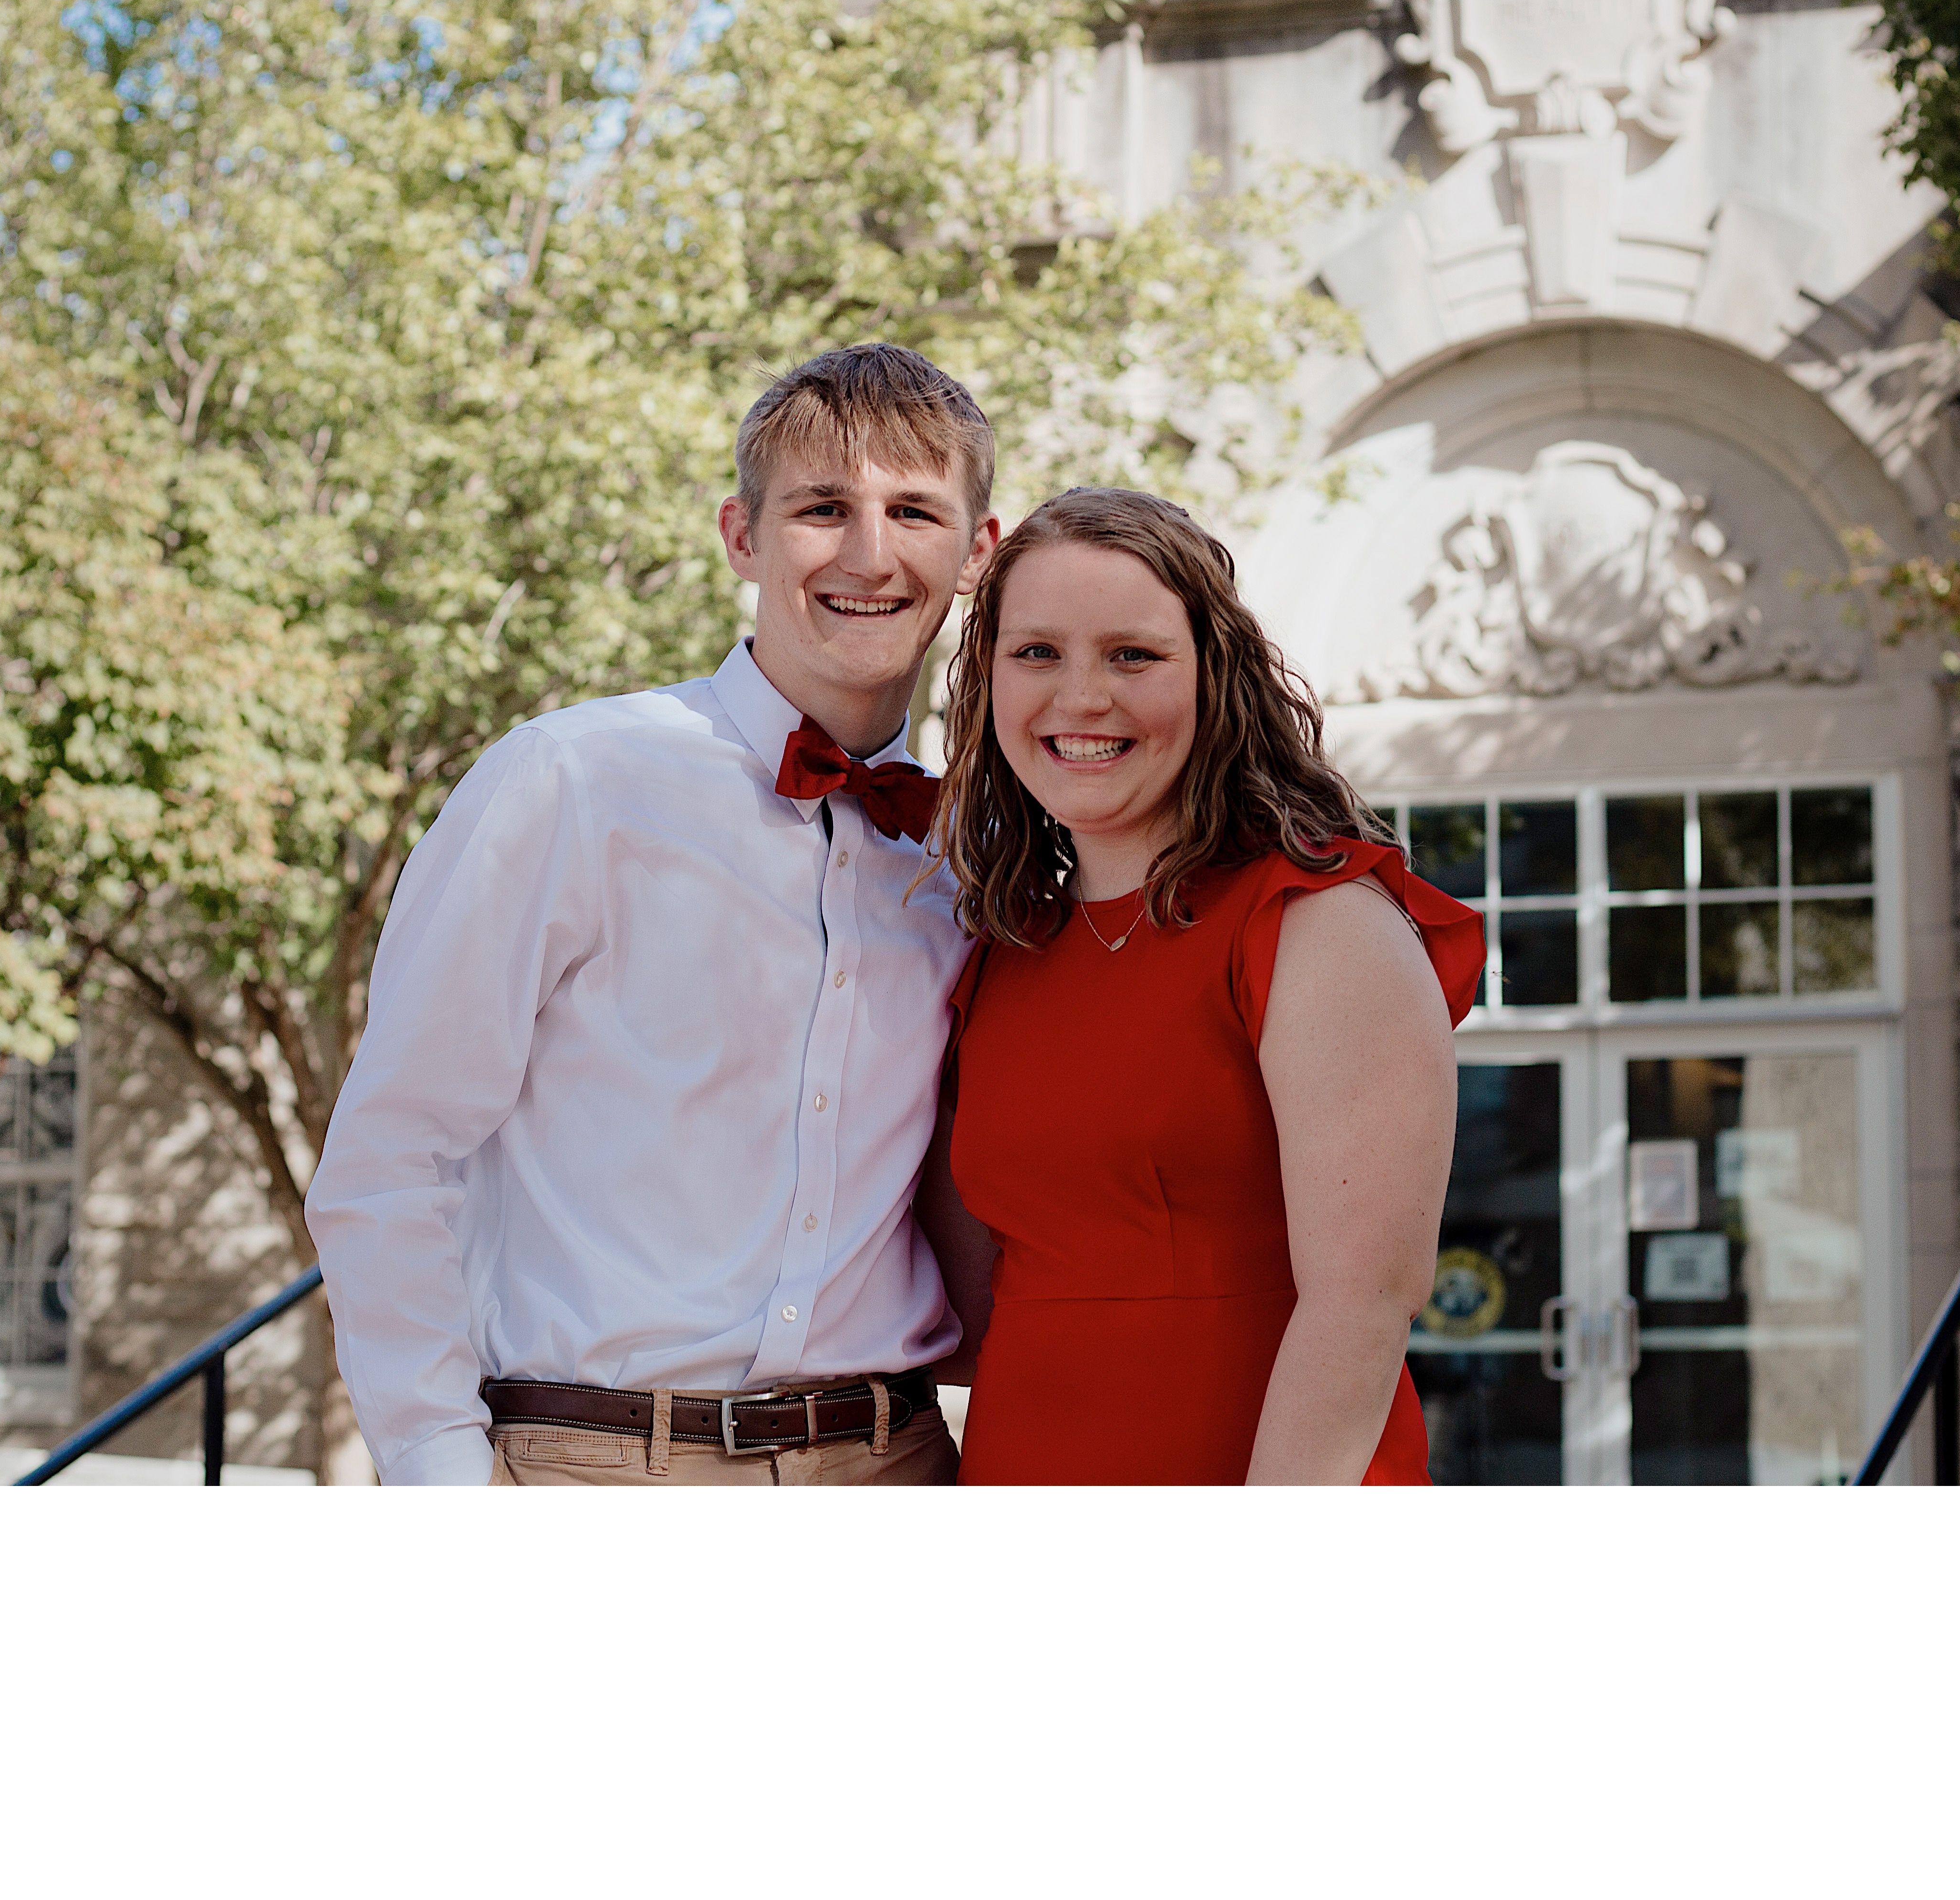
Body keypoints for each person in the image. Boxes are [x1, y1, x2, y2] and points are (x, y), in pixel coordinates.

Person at [306, 344, 1000, 1485]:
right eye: (823, 508)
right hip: (593, 1464)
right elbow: (392, 1151)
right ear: (743, 535)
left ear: (977, 551)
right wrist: (439, 1471)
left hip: (894, 1464)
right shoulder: (573, 781)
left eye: (914, 512)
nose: (871, 555)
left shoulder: (972, 855)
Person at [914, 488, 1483, 1485]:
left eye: (1133, 655)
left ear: (1215, 676)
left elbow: (1363, 1305)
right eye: (1036, 652)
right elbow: (966, 1312)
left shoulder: (1317, 924)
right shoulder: (997, 956)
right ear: (988, 680)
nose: (1081, 698)